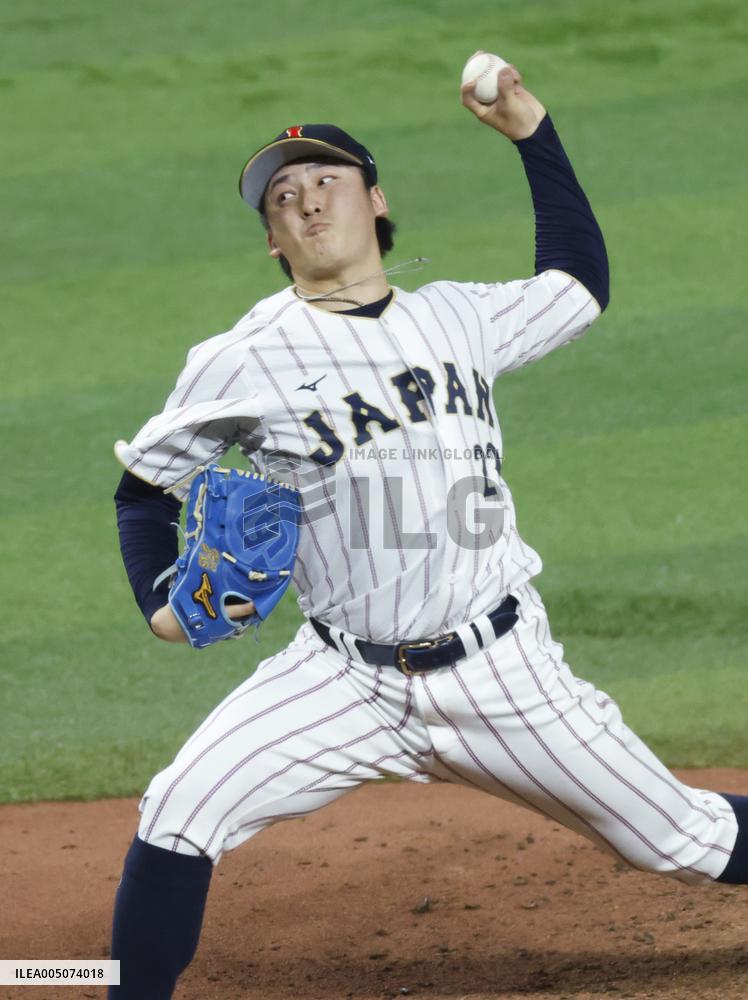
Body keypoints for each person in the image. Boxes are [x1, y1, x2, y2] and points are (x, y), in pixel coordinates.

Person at [109, 61, 748, 999]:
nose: (305, 202)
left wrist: (534, 134)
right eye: (281, 198)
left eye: (326, 180)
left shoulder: (457, 318)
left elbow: (577, 283)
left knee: (684, 840)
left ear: (377, 201)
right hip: (341, 677)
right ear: (275, 243)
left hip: (502, 671)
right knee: (179, 807)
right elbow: (142, 491)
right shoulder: (239, 358)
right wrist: (162, 601)